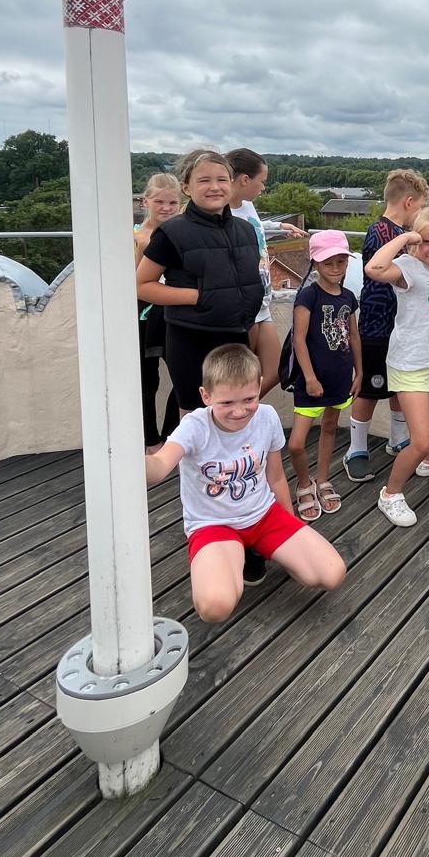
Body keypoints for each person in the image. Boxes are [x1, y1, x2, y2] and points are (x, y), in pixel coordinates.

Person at [135, 148, 267, 581]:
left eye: (222, 179)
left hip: (233, 336)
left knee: (239, 428)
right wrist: (199, 297)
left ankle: (246, 518)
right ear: (188, 186)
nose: (215, 187)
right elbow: (143, 285)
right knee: (201, 434)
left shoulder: (245, 229)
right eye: (204, 180)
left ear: (232, 184)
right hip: (191, 340)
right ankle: (208, 524)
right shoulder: (172, 232)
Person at [145, 343, 345, 623]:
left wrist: (291, 525)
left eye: (249, 399)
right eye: (227, 403)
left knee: (332, 573)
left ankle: (262, 552)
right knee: (215, 607)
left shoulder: (267, 416)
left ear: (260, 386)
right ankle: (234, 557)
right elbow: (158, 468)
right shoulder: (194, 426)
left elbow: (276, 476)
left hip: (264, 515)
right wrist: (129, 458)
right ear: (206, 395)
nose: (239, 411)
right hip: (214, 525)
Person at [364, 204, 429, 527]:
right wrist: (405, 238)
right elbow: (373, 269)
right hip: (410, 365)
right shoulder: (407, 267)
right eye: (427, 242)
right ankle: (390, 493)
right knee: (419, 440)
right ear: (415, 241)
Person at [345, 169, 429, 482]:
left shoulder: (394, 231)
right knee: (370, 389)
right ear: (408, 202)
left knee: (397, 384)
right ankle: (356, 450)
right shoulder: (382, 232)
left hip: (399, 327)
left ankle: (398, 438)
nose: (419, 214)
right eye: (420, 207)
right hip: (377, 327)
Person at [281, 230, 362, 521]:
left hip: (340, 377)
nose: (336, 268)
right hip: (311, 382)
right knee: (296, 443)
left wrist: (360, 372)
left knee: (330, 428)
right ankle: (304, 483)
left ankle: (323, 479)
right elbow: (299, 340)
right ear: (315, 262)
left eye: (341, 261)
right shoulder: (308, 296)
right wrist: (310, 378)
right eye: (329, 263)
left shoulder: (349, 297)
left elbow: (354, 336)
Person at [225, 147, 295, 399]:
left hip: (263, 300)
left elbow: (255, 227)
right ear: (245, 179)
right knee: (240, 374)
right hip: (244, 303)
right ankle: (232, 413)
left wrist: (280, 226)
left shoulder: (246, 206)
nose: (263, 187)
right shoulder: (223, 214)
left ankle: (242, 409)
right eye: (262, 181)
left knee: (274, 370)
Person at [133, 172, 181, 452]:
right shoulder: (135, 236)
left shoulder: (181, 233)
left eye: (172, 203)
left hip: (175, 313)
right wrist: (142, 249)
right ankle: (151, 440)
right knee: (146, 380)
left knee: (185, 376)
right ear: (145, 201)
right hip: (143, 316)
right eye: (160, 202)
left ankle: (172, 434)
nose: (166, 208)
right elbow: (134, 282)